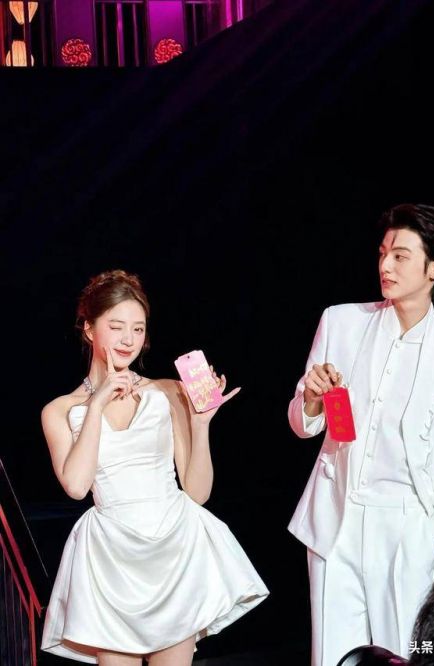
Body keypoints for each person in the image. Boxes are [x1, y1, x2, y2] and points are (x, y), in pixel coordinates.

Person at [287, 204, 434, 666]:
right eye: (383, 253)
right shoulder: (341, 322)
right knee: (332, 656)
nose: (385, 265)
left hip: (409, 527)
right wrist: (312, 399)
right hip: (336, 517)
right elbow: (303, 424)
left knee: (403, 654)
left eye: (401, 256)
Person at [41, 269, 268, 665]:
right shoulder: (60, 410)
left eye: (138, 328)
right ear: (89, 329)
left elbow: (197, 492)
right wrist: (96, 404)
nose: (128, 339)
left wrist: (200, 423)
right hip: (112, 558)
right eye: (116, 327)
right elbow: (76, 486)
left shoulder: (167, 391)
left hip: (174, 548)